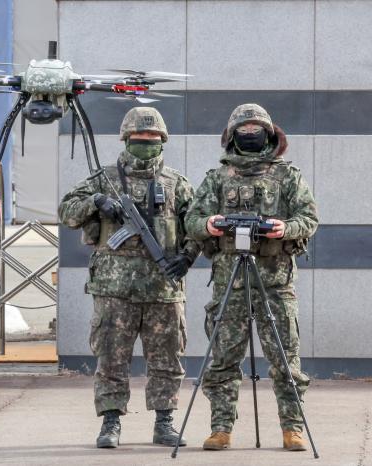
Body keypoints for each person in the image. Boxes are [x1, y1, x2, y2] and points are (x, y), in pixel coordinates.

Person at [58, 107, 200, 449]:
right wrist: (96, 201)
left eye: (152, 139)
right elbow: (66, 211)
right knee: (111, 358)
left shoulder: (177, 184)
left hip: (163, 289)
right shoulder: (104, 179)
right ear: (126, 139)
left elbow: (197, 225)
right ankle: (110, 423)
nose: (146, 143)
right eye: (139, 138)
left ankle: (164, 422)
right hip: (114, 290)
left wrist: (187, 257)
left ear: (162, 141)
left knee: (167, 360)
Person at [184, 103, 318, 452]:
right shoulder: (217, 178)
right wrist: (210, 224)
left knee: (286, 360)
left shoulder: (288, 177)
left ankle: (292, 428)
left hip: (275, 282)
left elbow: (309, 218)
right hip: (231, 280)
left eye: (256, 130)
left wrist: (284, 228)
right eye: (243, 131)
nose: (250, 135)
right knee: (223, 360)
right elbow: (192, 220)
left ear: (269, 134)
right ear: (231, 137)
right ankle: (221, 428)